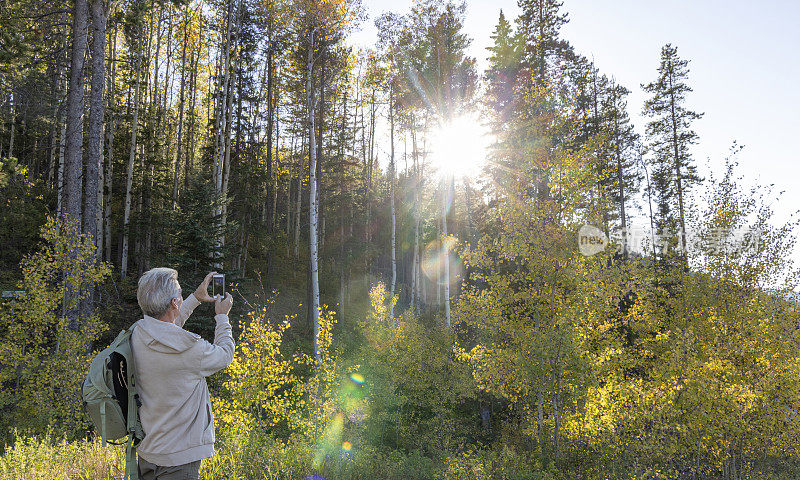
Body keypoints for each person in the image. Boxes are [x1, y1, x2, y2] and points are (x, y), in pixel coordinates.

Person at [131, 268, 235, 480]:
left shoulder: (137, 333)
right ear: (174, 304)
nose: (180, 296)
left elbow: (165, 328)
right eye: (179, 294)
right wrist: (222, 318)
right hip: (179, 460)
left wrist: (195, 299)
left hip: (147, 451)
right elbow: (225, 355)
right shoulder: (190, 348)